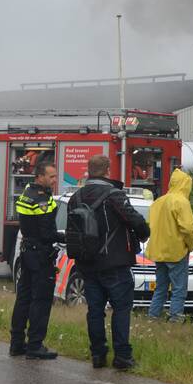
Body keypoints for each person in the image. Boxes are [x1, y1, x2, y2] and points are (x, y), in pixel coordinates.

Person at [67, 154, 150, 370]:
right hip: (114, 262)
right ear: (107, 171)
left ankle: (98, 354)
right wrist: (143, 233)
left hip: (87, 264)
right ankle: (122, 356)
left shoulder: (75, 198)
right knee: (121, 308)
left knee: (95, 310)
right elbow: (135, 220)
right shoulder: (114, 195)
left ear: (89, 171)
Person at [9, 161, 62, 359]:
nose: (55, 180)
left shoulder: (26, 194)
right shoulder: (41, 200)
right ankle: (35, 345)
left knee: (23, 298)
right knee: (41, 300)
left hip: (27, 253)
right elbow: (47, 233)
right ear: (40, 176)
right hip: (41, 256)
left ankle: (16, 343)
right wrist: (65, 237)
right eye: (51, 176)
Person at [146, 168, 193, 322]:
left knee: (160, 288)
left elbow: (150, 224)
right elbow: (188, 228)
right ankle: (175, 319)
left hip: (158, 252)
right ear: (185, 184)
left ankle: (153, 317)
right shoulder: (181, 201)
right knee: (179, 289)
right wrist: (191, 245)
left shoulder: (158, 201)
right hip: (176, 252)